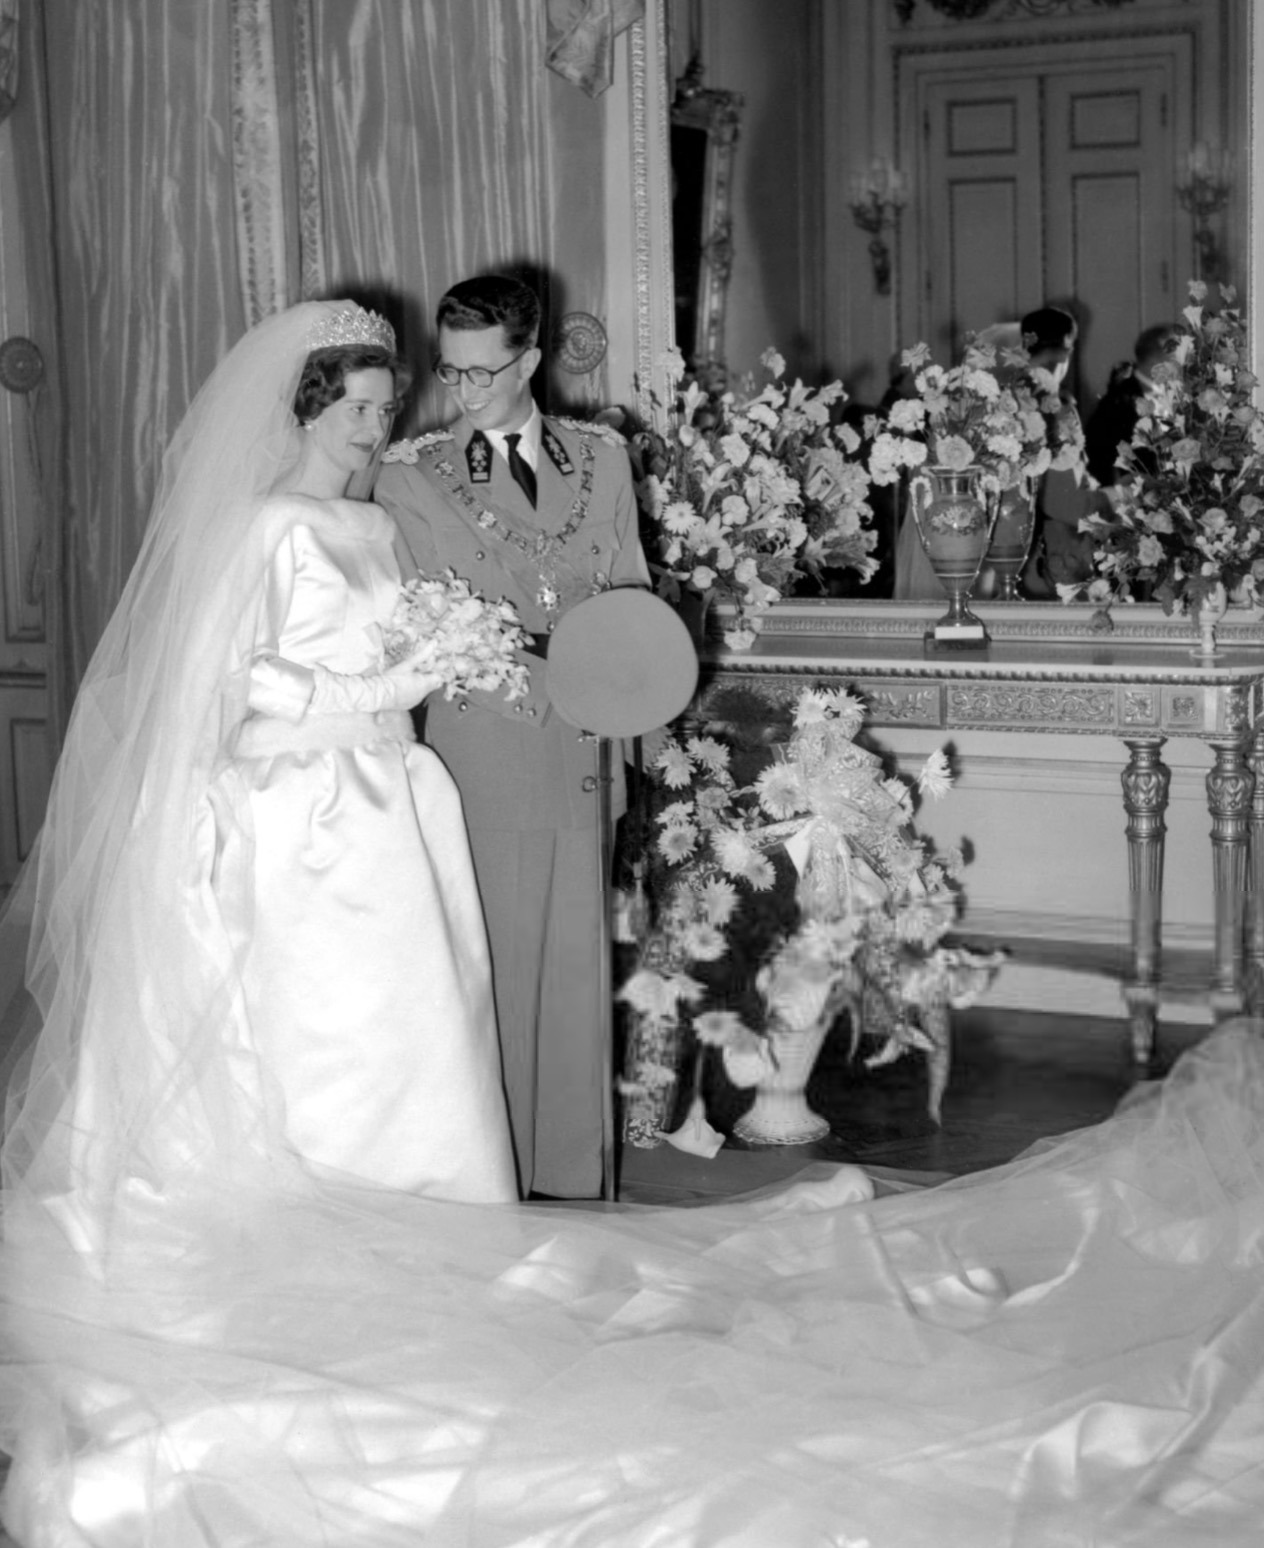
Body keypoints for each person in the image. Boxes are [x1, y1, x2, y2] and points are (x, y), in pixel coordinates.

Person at [3, 305, 1264, 1546]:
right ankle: (322, 1223)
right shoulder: (269, 528)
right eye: (362, 410)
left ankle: (425, 1219)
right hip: (310, 805)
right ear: (306, 411)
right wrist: (399, 677)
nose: (377, 428)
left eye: (387, 407)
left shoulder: (381, 517)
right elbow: (243, 681)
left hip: (395, 794)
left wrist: (450, 661)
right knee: (330, 1025)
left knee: (417, 1022)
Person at [376, 273, 651, 1200]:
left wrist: (632, 725)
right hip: (487, 748)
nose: (461, 391)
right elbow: (429, 630)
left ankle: (572, 1179)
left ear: (530, 360)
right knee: (492, 970)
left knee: (576, 971)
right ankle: (494, 1179)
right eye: (448, 371)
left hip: (589, 751)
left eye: (481, 373)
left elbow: (632, 597)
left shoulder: (602, 458)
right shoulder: (411, 475)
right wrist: (562, 691)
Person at [1084, 322, 1182, 489]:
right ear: (1154, 359)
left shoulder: (1171, 395)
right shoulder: (1116, 403)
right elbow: (1102, 461)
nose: (1180, 361)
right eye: (1175, 353)